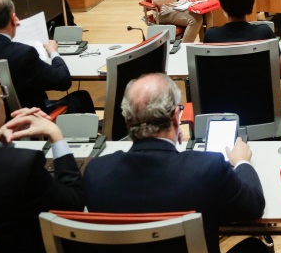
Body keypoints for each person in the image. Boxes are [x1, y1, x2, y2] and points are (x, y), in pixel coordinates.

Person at [84, 73, 266, 253]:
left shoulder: (96, 173)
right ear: (174, 117)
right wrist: (242, 162)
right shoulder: (207, 169)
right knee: (255, 247)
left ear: (128, 121)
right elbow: (254, 207)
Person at [0, 72, 84, 253]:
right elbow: (72, 206)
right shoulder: (22, 166)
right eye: (1, 96)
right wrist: (56, 135)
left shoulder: (15, 165)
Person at [0, 0, 94, 113]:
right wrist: (53, 52)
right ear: (14, 19)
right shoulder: (24, 54)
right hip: (28, 119)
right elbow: (63, 81)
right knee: (81, 98)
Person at [205, 0, 281, 74]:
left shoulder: (211, 36)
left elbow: (206, 73)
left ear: (223, 5)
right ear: (250, 0)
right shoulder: (264, 33)